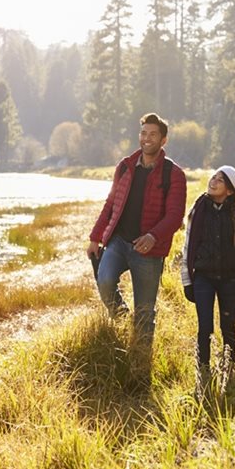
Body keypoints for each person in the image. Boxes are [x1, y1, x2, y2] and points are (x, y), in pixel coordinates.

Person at [87, 113, 187, 342]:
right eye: (143, 133)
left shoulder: (174, 174)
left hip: (149, 251)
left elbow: (175, 216)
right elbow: (111, 204)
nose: (147, 138)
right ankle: (121, 318)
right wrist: (95, 237)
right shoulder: (125, 166)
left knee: (145, 312)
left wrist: (153, 236)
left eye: (153, 134)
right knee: (104, 280)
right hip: (118, 242)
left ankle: (141, 361)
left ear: (164, 140)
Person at [180, 166, 235, 381]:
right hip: (203, 277)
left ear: (230, 191)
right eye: (214, 177)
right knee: (205, 326)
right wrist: (187, 281)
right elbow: (188, 246)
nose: (214, 181)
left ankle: (229, 369)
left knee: (228, 326)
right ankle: (203, 370)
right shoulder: (199, 210)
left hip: (230, 278)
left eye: (220, 180)